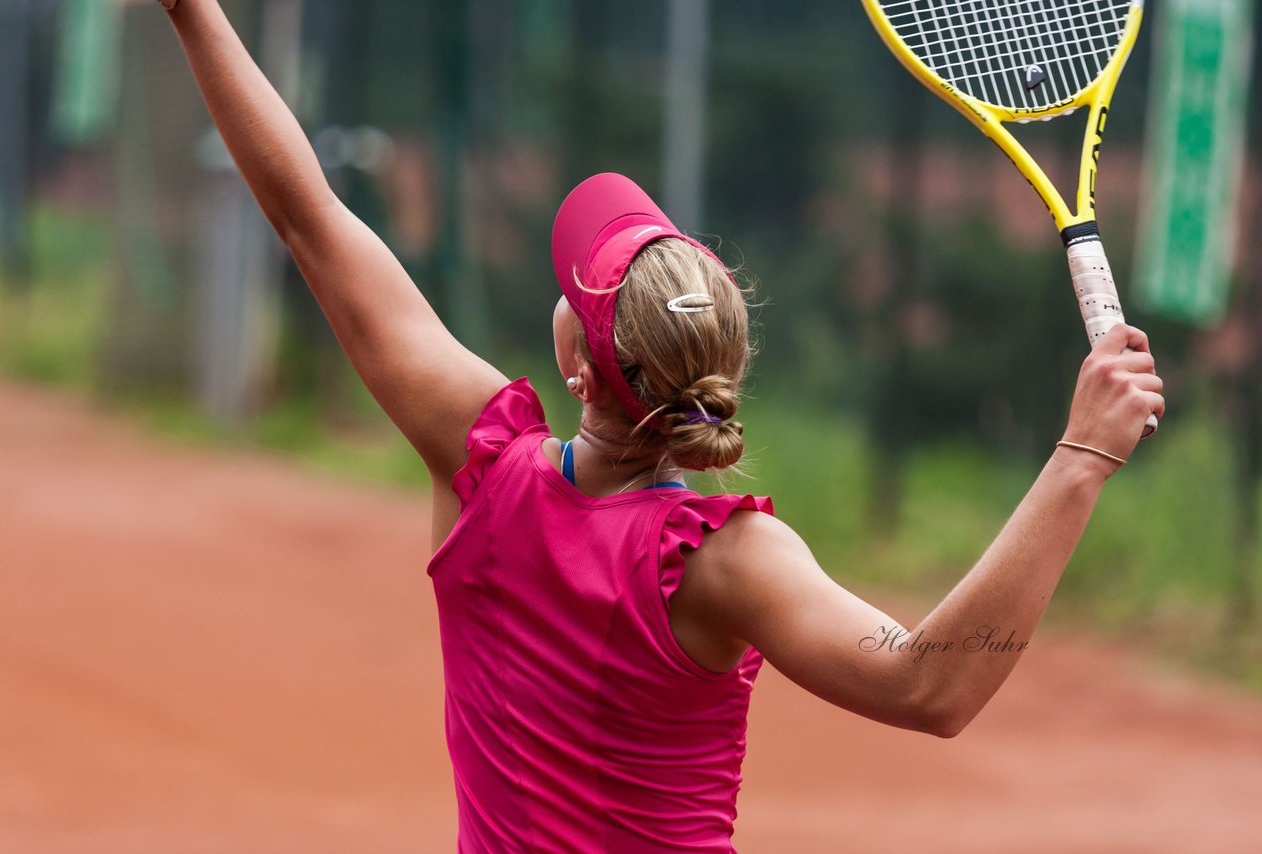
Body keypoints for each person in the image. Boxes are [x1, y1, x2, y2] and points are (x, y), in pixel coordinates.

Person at [159, 1, 1166, 851]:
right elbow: (931, 686)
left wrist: (193, 13)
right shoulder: (727, 562)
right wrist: (1079, 457)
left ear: (577, 365)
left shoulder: (478, 461)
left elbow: (308, 217)